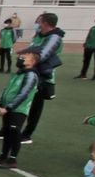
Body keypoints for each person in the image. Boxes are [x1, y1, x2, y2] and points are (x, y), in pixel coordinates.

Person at [16, 14, 66, 143]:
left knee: (35, 106)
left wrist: (25, 54)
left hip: (41, 77)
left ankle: (27, 134)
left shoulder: (54, 37)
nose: (36, 24)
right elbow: (34, 49)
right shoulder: (40, 35)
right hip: (28, 72)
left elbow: (42, 55)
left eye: (38, 22)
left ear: (45, 23)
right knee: (17, 100)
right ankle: (9, 129)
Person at [0, 50, 40, 169]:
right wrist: (0, 104)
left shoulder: (31, 75)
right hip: (8, 108)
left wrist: (9, 107)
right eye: (20, 57)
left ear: (32, 62)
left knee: (14, 132)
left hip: (19, 109)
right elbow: (7, 90)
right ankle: (3, 156)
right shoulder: (19, 74)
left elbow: (24, 93)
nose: (20, 59)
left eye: (24, 58)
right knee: (7, 132)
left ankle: (12, 159)